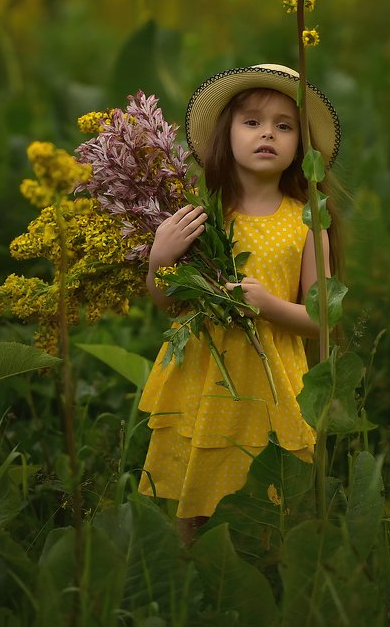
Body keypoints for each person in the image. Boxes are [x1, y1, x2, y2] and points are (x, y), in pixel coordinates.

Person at [138, 63, 341, 543]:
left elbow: (324, 318)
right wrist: (158, 260)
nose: (267, 133)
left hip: (269, 382)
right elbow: (168, 301)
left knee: (268, 504)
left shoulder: (308, 221)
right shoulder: (201, 212)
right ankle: (197, 589)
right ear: (226, 134)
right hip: (202, 375)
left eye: (284, 126)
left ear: (301, 147)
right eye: (251, 122)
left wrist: (265, 304)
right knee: (197, 500)